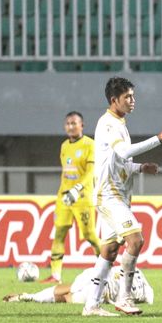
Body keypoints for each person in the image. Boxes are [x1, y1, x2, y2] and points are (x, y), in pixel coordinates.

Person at [81, 77, 162, 317]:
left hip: (119, 194)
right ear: (114, 99)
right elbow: (124, 151)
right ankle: (124, 297)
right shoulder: (108, 124)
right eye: (128, 96)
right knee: (135, 240)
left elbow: (117, 160)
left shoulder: (119, 123)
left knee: (111, 248)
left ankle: (91, 305)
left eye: (133, 96)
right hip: (109, 194)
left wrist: (139, 168)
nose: (132, 100)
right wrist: (159, 138)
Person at [41, 111, 101, 284]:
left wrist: (77, 189)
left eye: (74, 123)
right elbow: (66, 173)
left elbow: (91, 172)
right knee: (59, 233)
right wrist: (64, 193)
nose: (71, 126)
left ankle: (106, 268)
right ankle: (55, 276)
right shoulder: (64, 146)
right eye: (68, 123)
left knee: (90, 235)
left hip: (82, 198)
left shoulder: (90, 145)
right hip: (64, 198)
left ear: (82, 125)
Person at [4, 266, 153, 306]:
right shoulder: (146, 291)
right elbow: (150, 298)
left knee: (70, 288)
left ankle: (27, 296)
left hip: (97, 274)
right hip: (102, 289)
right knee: (68, 297)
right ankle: (27, 297)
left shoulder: (136, 270)